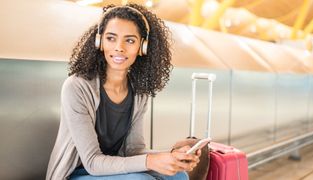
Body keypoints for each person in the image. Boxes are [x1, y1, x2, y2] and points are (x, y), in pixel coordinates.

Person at [46, 3, 201, 180]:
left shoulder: (138, 91)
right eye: (111, 38)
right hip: (78, 172)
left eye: (129, 40)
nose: (119, 47)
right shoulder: (77, 87)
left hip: (114, 169)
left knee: (179, 176)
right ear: (99, 42)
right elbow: (92, 162)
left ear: (142, 47)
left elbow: (133, 150)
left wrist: (171, 156)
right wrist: (152, 161)